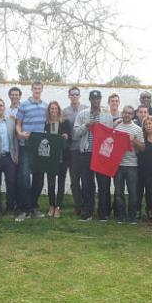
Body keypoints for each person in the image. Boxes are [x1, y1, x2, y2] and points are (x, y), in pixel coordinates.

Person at [73, 90, 114, 222]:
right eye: (93, 99)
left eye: (98, 99)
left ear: (101, 100)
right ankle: (87, 212)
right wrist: (86, 125)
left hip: (101, 154)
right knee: (87, 183)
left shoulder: (107, 116)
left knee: (103, 184)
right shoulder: (83, 114)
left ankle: (103, 213)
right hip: (86, 152)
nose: (96, 101)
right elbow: (75, 134)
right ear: (90, 100)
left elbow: (111, 135)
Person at [15, 81, 48, 221]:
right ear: (31, 89)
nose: (37, 90)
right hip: (26, 145)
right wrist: (20, 133)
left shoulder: (45, 106)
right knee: (24, 178)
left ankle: (33, 207)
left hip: (39, 147)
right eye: (35, 88)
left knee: (39, 178)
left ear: (42, 90)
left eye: (39, 88)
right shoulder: (24, 105)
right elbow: (18, 124)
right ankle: (24, 210)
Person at [113, 106, 144, 224]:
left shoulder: (137, 129)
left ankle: (132, 216)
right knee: (119, 192)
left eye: (129, 113)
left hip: (132, 165)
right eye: (125, 112)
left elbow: (142, 148)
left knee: (132, 192)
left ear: (133, 115)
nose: (126, 115)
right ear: (122, 113)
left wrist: (133, 140)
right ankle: (121, 216)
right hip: (118, 164)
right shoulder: (116, 127)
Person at [44, 101, 72, 218]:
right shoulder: (46, 124)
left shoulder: (65, 123)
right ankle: (51, 205)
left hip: (62, 158)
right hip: (50, 159)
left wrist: (66, 137)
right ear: (49, 111)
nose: (54, 111)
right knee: (51, 184)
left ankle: (58, 207)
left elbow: (70, 140)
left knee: (61, 183)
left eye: (56, 108)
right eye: (52, 109)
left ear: (59, 110)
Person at [62, 86, 87, 216]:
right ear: (69, 96)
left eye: (76, 94)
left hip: (86, 148)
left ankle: (87, 204)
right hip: (72, 149)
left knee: (86, 178)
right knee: (75, 178)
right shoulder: (64, 112)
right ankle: (78, 204)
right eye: (72, 94)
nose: (74, 96)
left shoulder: (87, 109)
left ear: (79, 95)